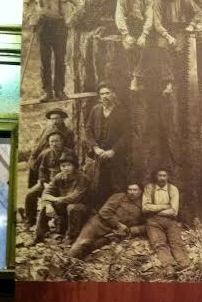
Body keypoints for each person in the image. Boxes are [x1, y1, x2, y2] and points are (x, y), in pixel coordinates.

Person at [23, 0, 84, 102]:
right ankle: (46, 92)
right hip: (42, 26)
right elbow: (25, 4)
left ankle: (60, 91)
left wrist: (72, 20)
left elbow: (80, 3)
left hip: (59, 26)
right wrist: (31, 18)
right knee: (45, 60)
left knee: (60, 60)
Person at [152, 0, 202, 95]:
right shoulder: (158, 1)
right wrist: (168, 36)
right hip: (164, 30)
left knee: (179, 50)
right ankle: (168, 82)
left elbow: (199, 12)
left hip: (180, 30)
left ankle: (179, 83)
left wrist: (191, 25)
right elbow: (157, 24)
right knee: (162, 47)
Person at [69, 181, 145, 260]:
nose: (132, 192)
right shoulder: (118, 197)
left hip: (113, 232)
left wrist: (135, 230)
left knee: (93, 248)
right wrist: (119, 224)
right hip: (98, 224)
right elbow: (104, 212)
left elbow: (147, 222)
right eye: (130, 189)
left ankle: (78, 266)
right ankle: (66, 261)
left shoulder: (142, 204)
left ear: (140, 191)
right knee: (81, 243)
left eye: (135, 190)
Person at [85, 81, 129, 209]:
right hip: (98, 155)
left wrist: (113, 151)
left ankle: (117, 213)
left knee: (116, 184)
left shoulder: (122, 111)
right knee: (98, 184)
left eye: (107, 93)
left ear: (113, 94)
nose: (104, 96)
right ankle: (100, 214)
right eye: (102, 94)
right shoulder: (96, 109)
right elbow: (88, 129)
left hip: (116, 156)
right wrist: (95, 147)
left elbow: (126, 135)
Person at [33, 153, 91, 245]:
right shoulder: (59, 177)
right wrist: (48, 205)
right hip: (64, 205)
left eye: (69, 165)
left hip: (82, 207)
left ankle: (71, 236)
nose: (65, 168)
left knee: (72, 207)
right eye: (63, 166)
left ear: (75, 166)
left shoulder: (82, 178)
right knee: (45, 207)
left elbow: (75, 198)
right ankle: (39, 235)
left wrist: (55, 199)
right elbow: (46, 192)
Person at [142, 168, 190, 270]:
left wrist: (154, 208)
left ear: (168, 177)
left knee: (176, 242)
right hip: (153, 221)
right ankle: (169, 266)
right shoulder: (149, 188)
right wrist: (165, 206)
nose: (162, 178)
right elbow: (145, 208)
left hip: (170, 220)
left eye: (164, 176)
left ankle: (184, 264)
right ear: (156, 176)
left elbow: (174, 211)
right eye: (160, 175)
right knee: (159, 244)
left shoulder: (173, 189)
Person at [114, 0, 154, 91]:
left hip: (143, 27)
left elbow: (150, 16)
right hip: (128, 28)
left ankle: (136, 78)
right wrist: (126, 35)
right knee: (128, 48)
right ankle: (134, 77)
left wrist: (144, 35)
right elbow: (119, 16)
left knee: (145, 48)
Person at [24, 130, 67, 226]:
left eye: (57, 141)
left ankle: (51, 223)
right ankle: (30, 220)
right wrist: (43, 182)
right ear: (49, 143)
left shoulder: (68, 153)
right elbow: (42, 169)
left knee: (52, 202)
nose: (54, 144)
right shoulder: (45, 154)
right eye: (52, 141)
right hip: (47, 184)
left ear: (62, 141)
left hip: (63, 186)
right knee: (30, 194)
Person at [28, 108, 75, 187]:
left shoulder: (68, 131)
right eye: (52, 119)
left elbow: (68, 146)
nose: (54, 121)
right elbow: (40, 142)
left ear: (62, 119)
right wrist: (34, 152)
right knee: (34, 170)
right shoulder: (47, 129)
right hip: (41, 154)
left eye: (56, 118)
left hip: (56, 156)